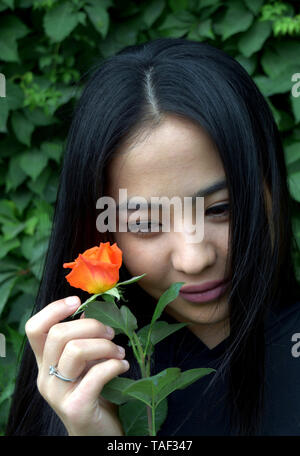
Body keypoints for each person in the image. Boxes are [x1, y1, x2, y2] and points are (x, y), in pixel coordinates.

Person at [6, 37, 300, 436]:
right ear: (101, 227)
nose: (194, 259)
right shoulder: (83, 379)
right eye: (144, 224)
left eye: (221, 209)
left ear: (271, 186)